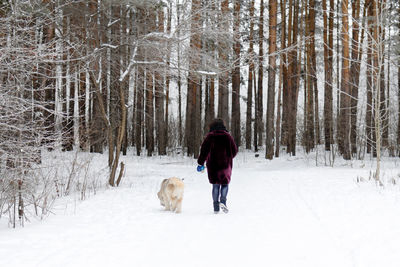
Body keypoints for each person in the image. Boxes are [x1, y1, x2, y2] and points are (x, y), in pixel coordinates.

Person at [197, 118, 238, 214]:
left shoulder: (209, 137)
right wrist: (229, 157)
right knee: (225, 184)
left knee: (215, 185)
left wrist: (201, 163)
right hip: (225, 165)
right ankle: (223, 201)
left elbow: (204, 151)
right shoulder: (228, 136)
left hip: (213, 166)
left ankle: (216, 207)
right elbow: (235, 150)